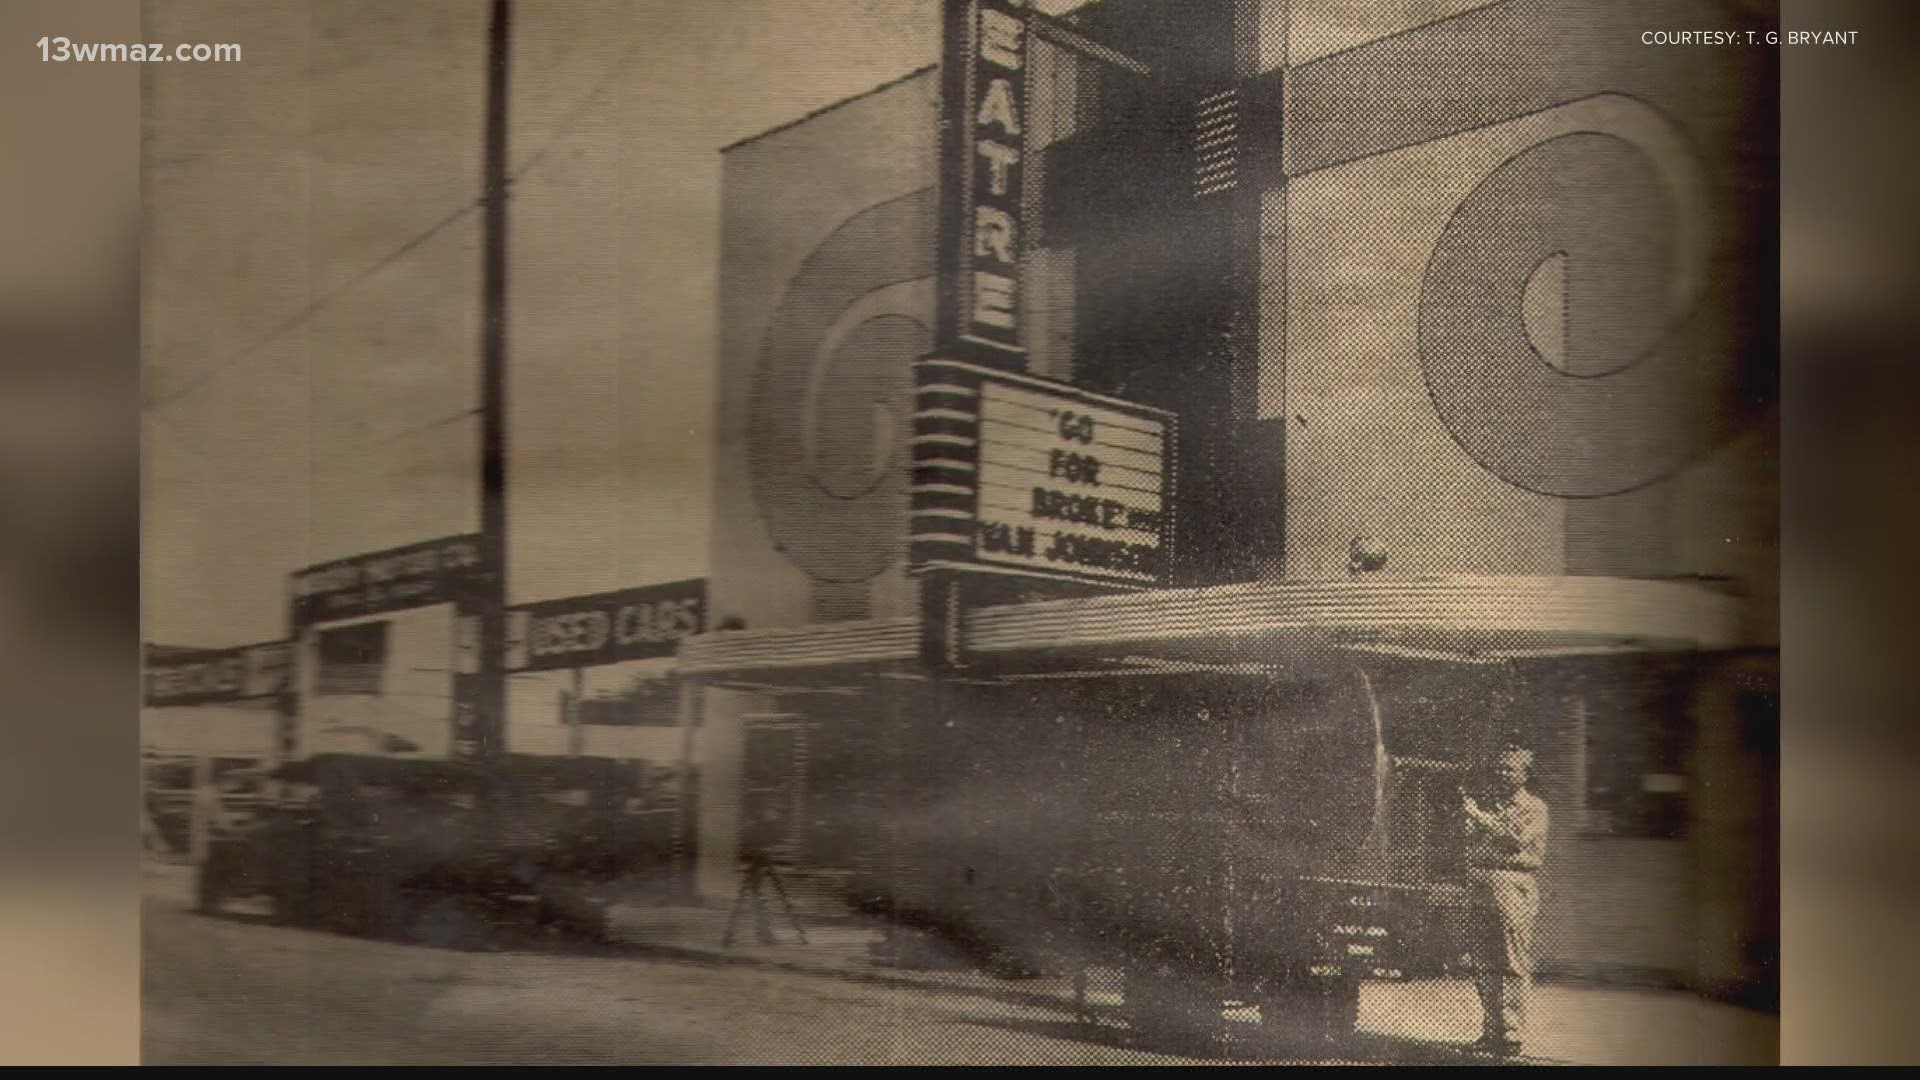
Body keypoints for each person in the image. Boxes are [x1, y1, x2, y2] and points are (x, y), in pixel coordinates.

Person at [1460, 743, 1550, 1056]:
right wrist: (1472, 822)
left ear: (1524, 775)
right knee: (1483, 961)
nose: (1502, 773)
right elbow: (1471, 845)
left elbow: (1516, 839)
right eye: (1499, 767)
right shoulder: (1491, 806)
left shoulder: (1534, 807)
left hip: (1514, 883)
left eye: (1509, 768)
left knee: (1512, 961)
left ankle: (1511, 1034)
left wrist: (1478, 817)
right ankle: (1491, 1029)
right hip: (1483, 882)